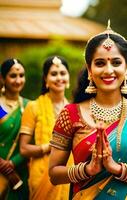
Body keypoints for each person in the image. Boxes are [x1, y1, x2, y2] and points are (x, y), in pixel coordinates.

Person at [48, 22, 127, 200]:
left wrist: (117, 168)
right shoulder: (70, 113)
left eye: (116, 62)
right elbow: (54, 174)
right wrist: (87, 169)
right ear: (89, 69)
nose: (108, 70)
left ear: (126, 69)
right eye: (100, 63)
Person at [19, 56, 70, 200]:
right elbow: (23, 149)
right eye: (53, 74)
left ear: (68, 78)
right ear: (46, 80)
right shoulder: (33, 107)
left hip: (66, 174)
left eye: (62, 73)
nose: (59, 77)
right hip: (41, 173)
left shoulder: (74, 109)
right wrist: (51, 147)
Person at [0, 58, 29, 200]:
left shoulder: (29, 106)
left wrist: (12, 163)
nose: (18, 80)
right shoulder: (0, 107)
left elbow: (32, 142)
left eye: (21, 75)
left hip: (19, 173)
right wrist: (3, 166)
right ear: (2, 78)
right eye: (13, 76)